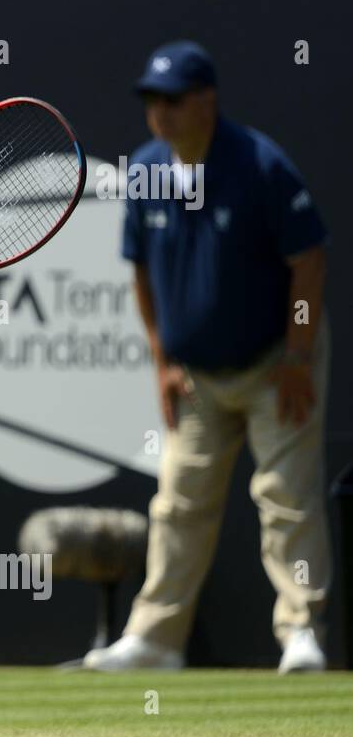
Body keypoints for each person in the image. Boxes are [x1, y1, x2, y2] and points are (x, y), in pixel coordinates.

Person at [84, 41, 331, 674]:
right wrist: (162, 361)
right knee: (177, 504)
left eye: (171, 100)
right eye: (150, 101)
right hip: (195, 372)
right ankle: (156, 641)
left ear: (206, 101)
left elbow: (307, 260)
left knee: (285, 497)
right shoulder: (145, 171)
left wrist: (300, 356)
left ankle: (302, 633)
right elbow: (141, 274)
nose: (158, 114)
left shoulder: (261, 164)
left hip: (277, 361)